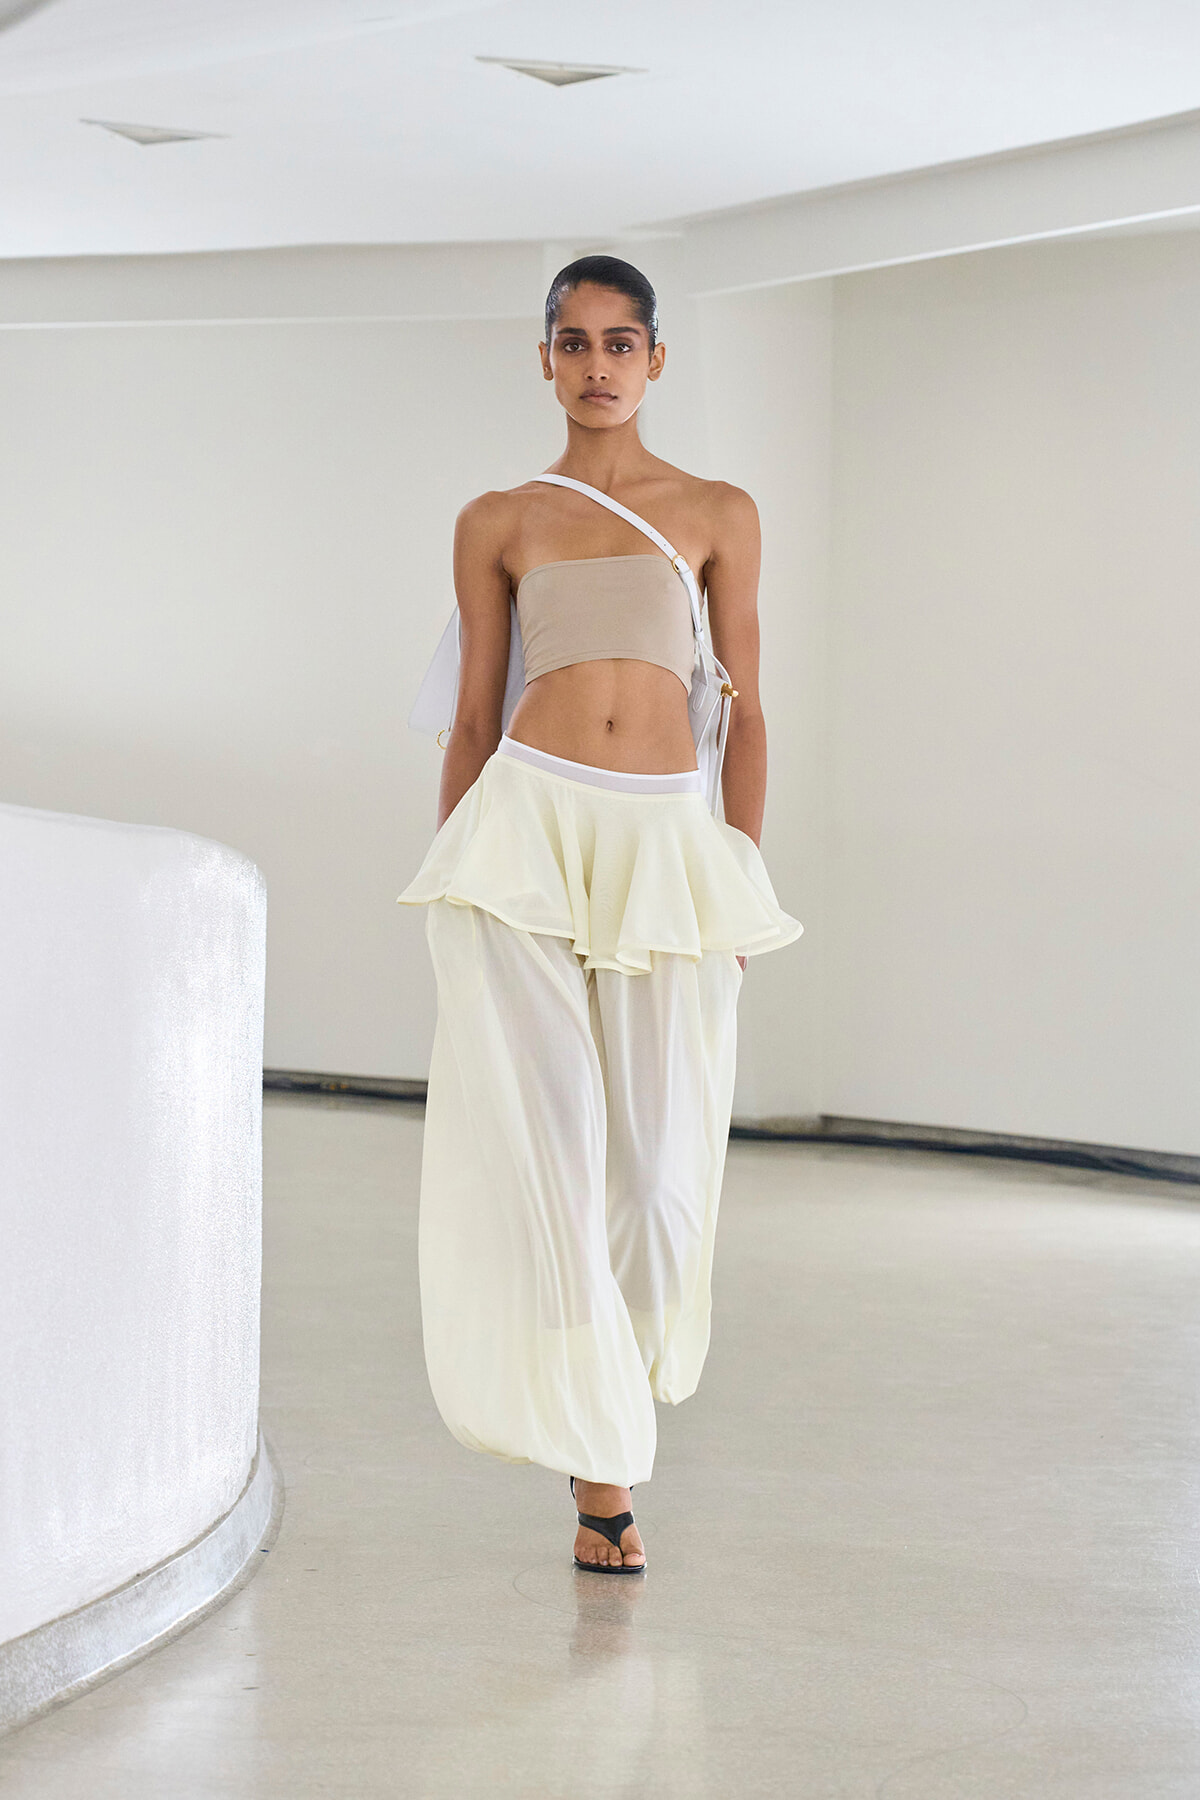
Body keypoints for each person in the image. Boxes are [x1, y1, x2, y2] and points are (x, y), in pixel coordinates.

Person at [398, 255, 800, 1573]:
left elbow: (743, 706)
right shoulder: (499, 518)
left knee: (654, 1179)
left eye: (620, 342)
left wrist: (736, 868)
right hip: (526, 828)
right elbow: (469, 718)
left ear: (656, 361)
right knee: (552, 1154)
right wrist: (453, 865)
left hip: (664, 847)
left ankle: (616, 1410)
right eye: (572, 342)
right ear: (546, 360)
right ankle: (601, 1483)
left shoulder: (720, 511)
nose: (597, 365)